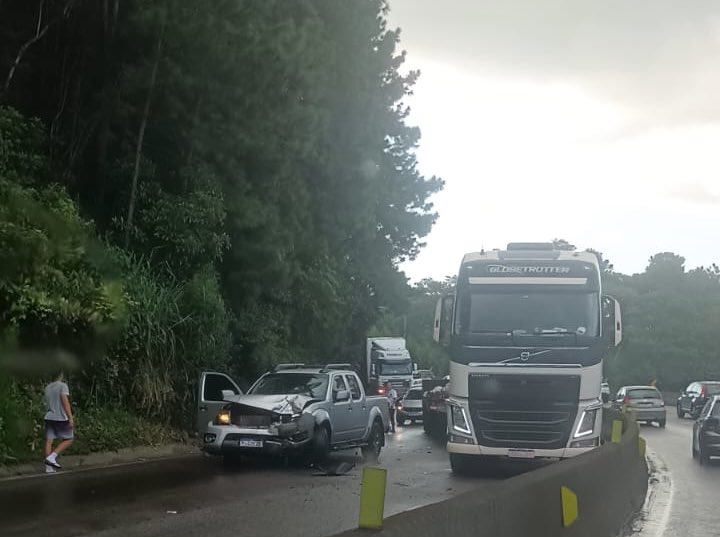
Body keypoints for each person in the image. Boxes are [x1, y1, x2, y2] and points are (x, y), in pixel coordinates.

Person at [43, 372, 74, 472]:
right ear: (60, 375)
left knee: (49, 440)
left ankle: (49, 467)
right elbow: (65, 402)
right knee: (69, 438)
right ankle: (52, 456)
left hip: (49, 416)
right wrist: (70, 417)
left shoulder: (47, 387)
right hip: (60, 417)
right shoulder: (62, 386)